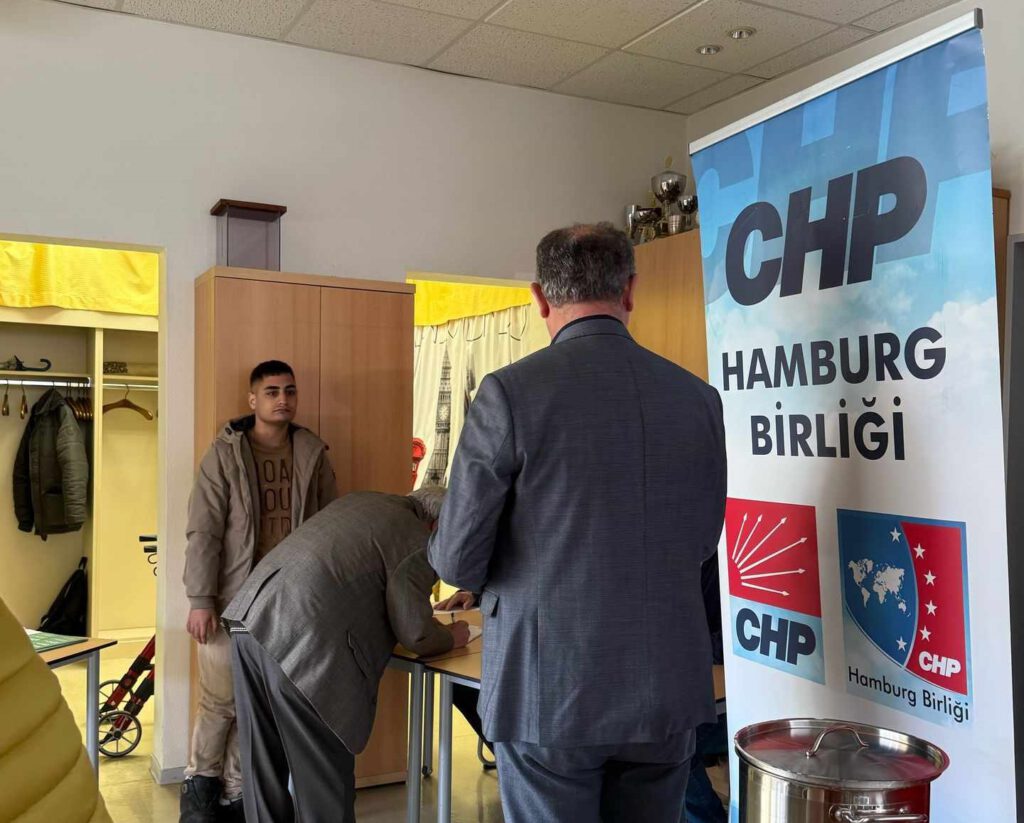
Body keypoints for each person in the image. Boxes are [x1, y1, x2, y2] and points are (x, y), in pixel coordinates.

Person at [429, 223, 727, 823]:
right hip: (666, 684)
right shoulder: (698, 398)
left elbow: (458, 559)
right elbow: (703, 538)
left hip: (550, 689)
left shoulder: (509, 394)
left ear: (541, 298)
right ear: (630, 290)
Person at [221, 488, 471, 823]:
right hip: (302, 637)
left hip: (248, 617)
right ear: (439, 525)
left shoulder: (365, 501)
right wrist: (450, 637)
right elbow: (415, 630)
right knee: (322, 782)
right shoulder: (416, 538)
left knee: (261, 766)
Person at [181, 360, 337, 823]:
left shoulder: (312, 452)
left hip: (288, 602)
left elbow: (330, 529)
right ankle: (199, 789)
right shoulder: (224, 454)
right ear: (253, 399)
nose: (282, 399)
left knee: (259, 706)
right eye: (272, 392)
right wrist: (200, 600)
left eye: (290, 391)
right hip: (230, 600)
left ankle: (236, 794)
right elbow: (203, 531)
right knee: (220, 701)